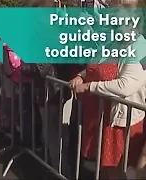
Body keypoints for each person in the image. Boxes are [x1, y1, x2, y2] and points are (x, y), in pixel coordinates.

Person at [70, 5, 146, 179]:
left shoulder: (141, 48)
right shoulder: (113, 41)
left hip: (121, 123)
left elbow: (126, 86)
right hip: (101, 117)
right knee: (102, 169)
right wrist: (81, 76)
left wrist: (90, 86)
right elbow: (97, 63)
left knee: (118, 173)